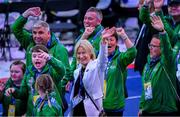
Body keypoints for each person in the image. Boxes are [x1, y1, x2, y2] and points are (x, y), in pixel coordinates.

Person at [11, 7, 72, 93]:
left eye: (40, 32)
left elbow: (66, 73)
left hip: (50, 94)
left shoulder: (59, 49)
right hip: (32, 93)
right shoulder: (30, 41)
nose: (37, 36)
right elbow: (15, 29)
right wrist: (26, 15)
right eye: (34, 33)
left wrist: (54, 91)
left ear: (48, 34)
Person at [5, 45, 65, 116]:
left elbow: (62, 70)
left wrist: (50, 58)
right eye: (34, 56)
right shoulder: (28, 72)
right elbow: (23, 94)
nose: (36, 58)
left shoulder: (52, 71)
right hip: (33, 111)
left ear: (46, 57)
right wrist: (14, 91)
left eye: (40, 56)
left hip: (49, 111)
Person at [139, 15, 179, 116]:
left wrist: (162, 32)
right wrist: (141, 107)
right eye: (150, 45)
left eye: (154, 46)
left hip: (165, 112)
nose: (151, 48)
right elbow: (145, 88)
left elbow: (167, 50)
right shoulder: (147, 65)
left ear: (161, 49)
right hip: (148, 111)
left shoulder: (167, 63)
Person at [69, 29, 108, 116]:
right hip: (77, 110)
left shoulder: (96, 67)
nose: (81, 56)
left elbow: (103, 60)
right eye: (78, 53)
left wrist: (104, 43)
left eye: (84, 53)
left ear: (90, 53)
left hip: (90, 112)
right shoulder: (78, 70)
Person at [102, 27, 137, 116]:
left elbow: (132, 52)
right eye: (106, 40)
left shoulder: (120, 59)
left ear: (116, 42)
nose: (108, 42)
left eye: (111, 40)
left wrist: (123, 36)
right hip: (98, 104)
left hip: (114, 105)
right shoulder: (98, 59)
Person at [71, 7, 104, 72]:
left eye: (90, 19)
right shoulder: (82, 35)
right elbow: (75, 59)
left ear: (99, 21)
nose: (86, 21)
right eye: (85, 18)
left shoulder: (103, 37)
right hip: (80, 75)